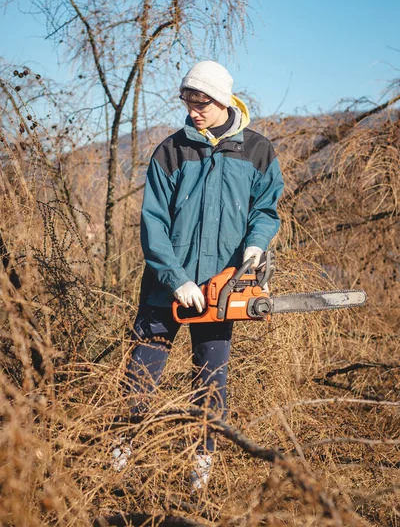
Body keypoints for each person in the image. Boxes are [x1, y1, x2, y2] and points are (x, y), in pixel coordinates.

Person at [113, 61, 284, 486]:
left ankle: (201, 461)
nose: (193, 111)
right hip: (165, 289)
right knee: (141, 371)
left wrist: (254, 248)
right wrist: (176, 278)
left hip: (222, 288)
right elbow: (152, 222)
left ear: (222, 100)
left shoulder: (257, 151)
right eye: (188, 102)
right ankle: (120, 449)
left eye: (201, 102)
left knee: (210, 378)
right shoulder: (171, 151)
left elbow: (265, 210)